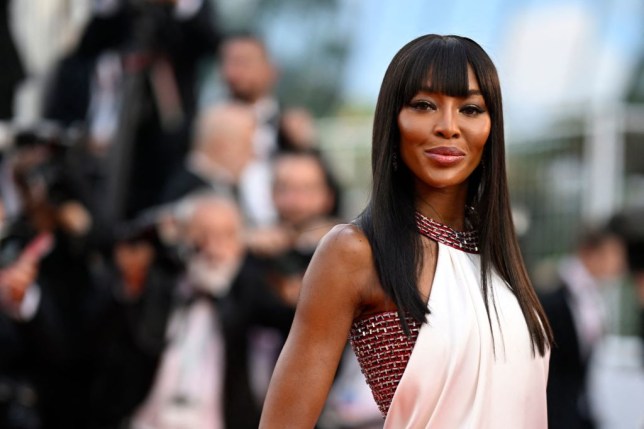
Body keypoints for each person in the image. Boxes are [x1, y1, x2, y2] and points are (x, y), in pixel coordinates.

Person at [260, 34, 553, 428]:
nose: (448, 127)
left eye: (470, 108)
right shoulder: (356, 251)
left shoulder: (500, 256)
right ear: (392, 121)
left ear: (491, 129)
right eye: (424, 105)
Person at [539, 226, 625, 429]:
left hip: (579, 408)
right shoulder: (554, 295)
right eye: (613, 253)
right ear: (590, 253)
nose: (619, 263)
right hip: (555, 412)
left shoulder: (593, 298)